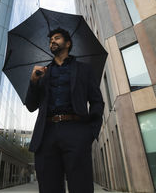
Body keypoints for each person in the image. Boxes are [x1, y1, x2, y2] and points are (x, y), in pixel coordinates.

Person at [25, 27, 104, 193]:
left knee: (81, 186)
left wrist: (90, 132)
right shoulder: (42, 73)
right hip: (46, 134)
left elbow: (97, 102)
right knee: (48, 187)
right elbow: (31, 106)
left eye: (57, 38)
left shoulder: (84, 69)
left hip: (76, 131)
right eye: (50, 39)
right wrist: (33, 82)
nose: (52, 41)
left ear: (68, 43)